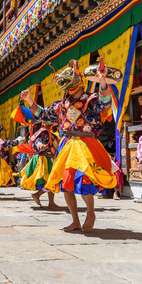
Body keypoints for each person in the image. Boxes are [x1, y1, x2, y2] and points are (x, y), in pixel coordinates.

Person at [20, 59, 117, 232]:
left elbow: (105, 103)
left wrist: (102, 82)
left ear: (79, 80)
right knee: (66, 184)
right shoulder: (61, 105)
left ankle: (91, 213)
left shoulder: (91, 100)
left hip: (86, 144)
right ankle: (75, 220)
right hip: (67, 145)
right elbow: (42, 113)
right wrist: (28, 100)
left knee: (84, 180)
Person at [19, 124, 61, 209]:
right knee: (50, 180)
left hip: (49, 159)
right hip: (44, 159)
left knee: (50, 180)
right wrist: (40, 145)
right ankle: (37, 194)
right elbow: (37, 140)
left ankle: (51, 202)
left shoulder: (52, 133)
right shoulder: (42, 132)